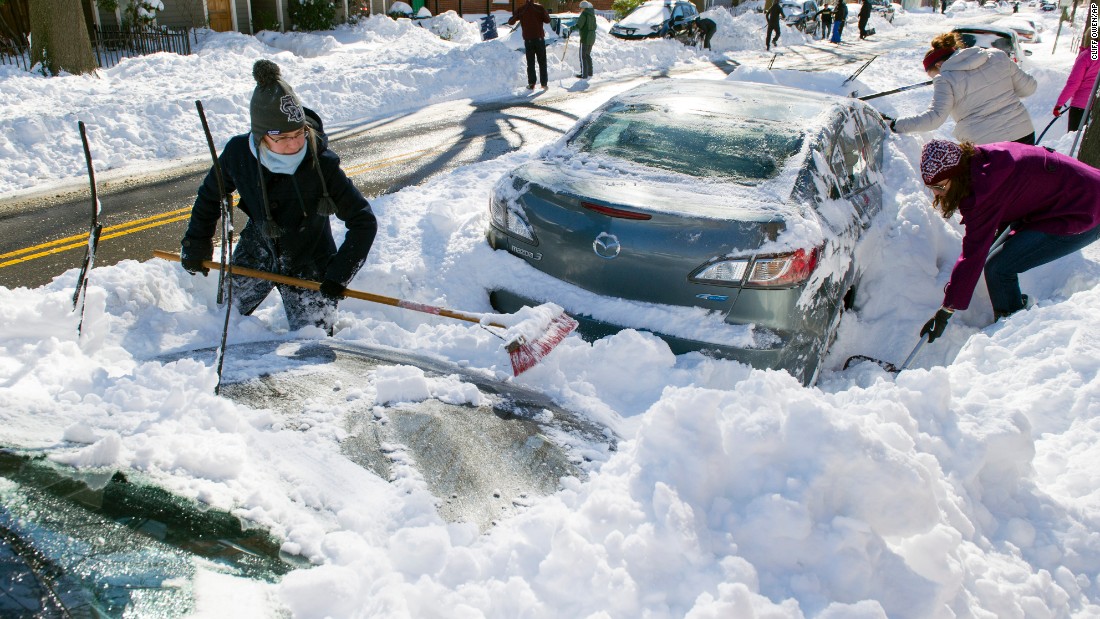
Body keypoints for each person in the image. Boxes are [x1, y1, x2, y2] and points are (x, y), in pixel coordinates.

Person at [180, 60, 378, 334]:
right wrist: (197, 241)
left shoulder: (321, 163)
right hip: (257, 250)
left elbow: (363, 221)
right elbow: (210, 195)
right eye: (283, 137)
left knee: (314, 345)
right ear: (261, 137)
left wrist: (338, 274)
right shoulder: (239, 154)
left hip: (310, 261)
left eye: (299, 133)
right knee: (223, 324)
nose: (295, 143)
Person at [916, 139, 1100, 342]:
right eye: (931, 187)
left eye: (939, 186)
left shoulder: (983, 191)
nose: (935, 193)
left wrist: (947, 310)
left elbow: (973, 254)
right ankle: (1015, 316)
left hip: (1082, 210)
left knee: (999, 269)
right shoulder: (984, 161)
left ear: (957, 175)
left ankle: (1014, 335)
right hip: (1080, 193)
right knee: (998, 261)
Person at [890, 33, 1037, 145]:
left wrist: (897, 124)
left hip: (988, 145)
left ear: (939, 65)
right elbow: (1029, 88)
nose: (934, 79)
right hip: (1024, 135)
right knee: (1025, 183)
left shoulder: (945, 79)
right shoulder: (997, 56)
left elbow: (934, 119)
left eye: (932, 75)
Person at [1054, 44, 1100, 132]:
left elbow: (1074, 83)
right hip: (1096, 106)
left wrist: (1059, 104)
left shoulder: (1087, 55)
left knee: (1074, 139)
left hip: (1082, 106)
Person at [508, 0, 551, 90]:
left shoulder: (521, 9)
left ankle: (531, 84)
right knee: (542, 62)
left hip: (528, 41)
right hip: (539, 40)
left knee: (530, 63)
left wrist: (518, 16)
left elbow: (511, 22)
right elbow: (547, 20)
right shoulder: (539, 8)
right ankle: (544, 84)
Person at [574, 0, 597, 78]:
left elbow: (579, 25)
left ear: (583, 8)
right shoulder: (592, 14)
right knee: (587, 55)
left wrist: (570, 28)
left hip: (585, 37)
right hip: (592, 37)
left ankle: (584, 74)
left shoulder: (584, 14)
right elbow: (595, 26)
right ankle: (590, 72)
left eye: (580, 8)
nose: (580, 9)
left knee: (582, 56)